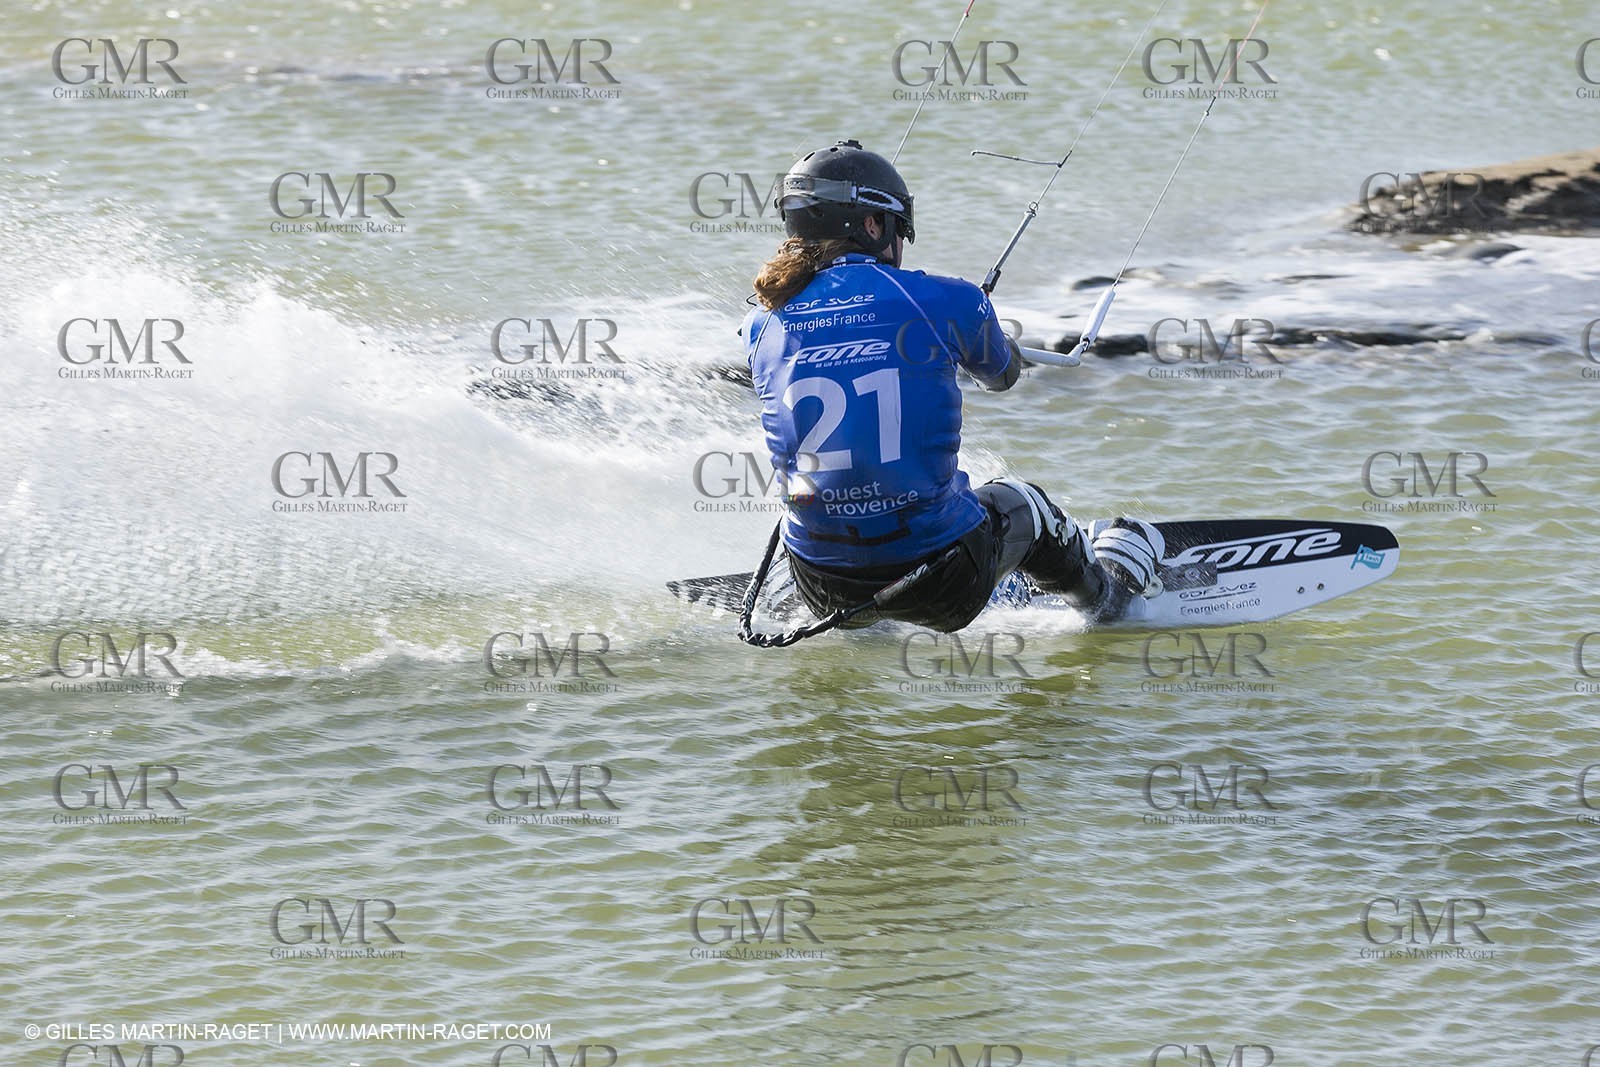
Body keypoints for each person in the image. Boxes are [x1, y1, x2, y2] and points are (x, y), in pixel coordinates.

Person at [741, 139, 1164, 633]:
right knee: (1025, 502)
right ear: (874, 225)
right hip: (943, 586)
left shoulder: (759, 324)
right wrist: (977, 332)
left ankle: (858, 604)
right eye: (898, 229)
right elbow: (1001, 377)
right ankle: (1107, 599)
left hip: (822, 583)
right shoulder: (947, 300)